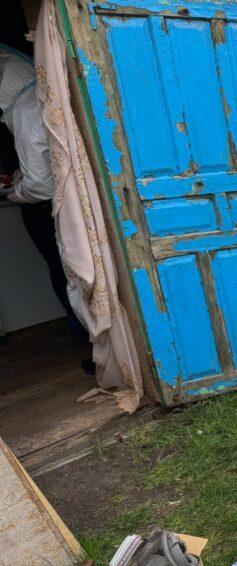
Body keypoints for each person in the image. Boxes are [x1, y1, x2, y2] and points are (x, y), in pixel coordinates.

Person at [0, 43, 88, 343]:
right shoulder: (40, 96)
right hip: (72, 199)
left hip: (52, 206)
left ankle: (87, 340)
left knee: (65, 269)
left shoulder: (24, 110)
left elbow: (40, 183)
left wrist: (14, 192)